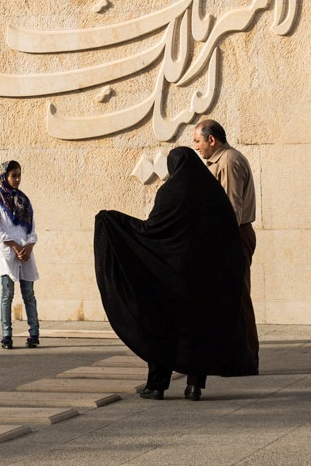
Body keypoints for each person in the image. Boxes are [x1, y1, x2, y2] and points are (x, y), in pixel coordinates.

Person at [94, 145, 256, 401]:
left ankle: (157, 386)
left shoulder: (169, 193)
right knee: (199, 329)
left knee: (163, 328)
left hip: (171, 278)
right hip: (204, 279)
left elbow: (152, 230)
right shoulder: (213, 194)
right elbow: (228, 236)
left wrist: (114, 223)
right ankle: (194, 387)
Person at [194, 118, 259, 359]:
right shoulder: (219, 161)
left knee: (238, 296)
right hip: (228, 236)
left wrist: (220, 244)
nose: (196, 146)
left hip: (234, 236)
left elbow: (232, 210)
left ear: (212, 139)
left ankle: (248, 357)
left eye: (198, 141)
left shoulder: (228, 161)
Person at [0, 159, 39, 349]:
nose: (17, 179)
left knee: (29, 294)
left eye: (19, 175)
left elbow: (32, 230)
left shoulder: (24, 201)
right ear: (4, 177)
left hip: (25, 253)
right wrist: (15, 247)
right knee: (7, 294)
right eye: (13, 175)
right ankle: (6, 335)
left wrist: (28, 248)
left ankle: (34, 334)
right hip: (7, 254)